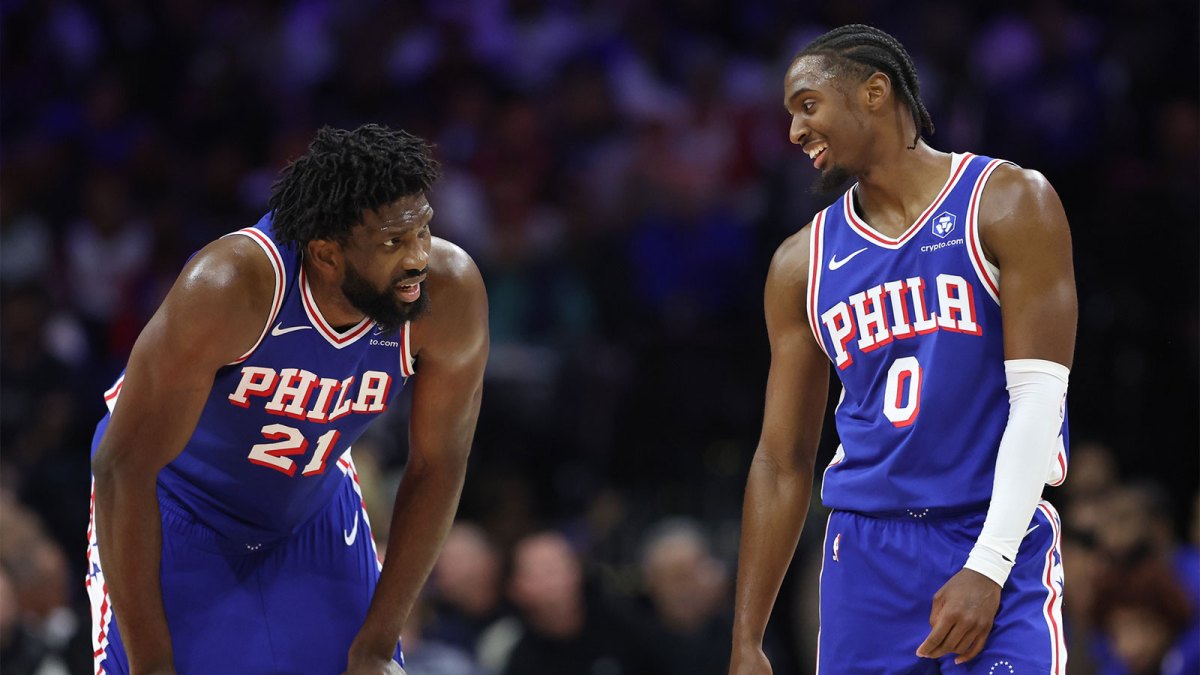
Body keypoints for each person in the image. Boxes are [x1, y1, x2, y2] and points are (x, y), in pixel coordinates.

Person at [729, 24, 1077, 674]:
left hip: (991, 530)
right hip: (867, 553)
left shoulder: (1006, 201)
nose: (795, 132)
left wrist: (989, 563)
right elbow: (782, 459)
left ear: (873, 92)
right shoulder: (801, 262)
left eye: (808, 104)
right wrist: (747, 637)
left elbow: (1038, 399)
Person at [87, 124, 489, 674]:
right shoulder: (231, 287)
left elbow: (439, 463)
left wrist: (376, 644)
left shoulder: (449, 292)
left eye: (423, 229)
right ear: (326, 254)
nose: (419, 257)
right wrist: (153, 667)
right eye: (394, 243)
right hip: (175, 508)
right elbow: (123, 468)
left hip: (310, 512)